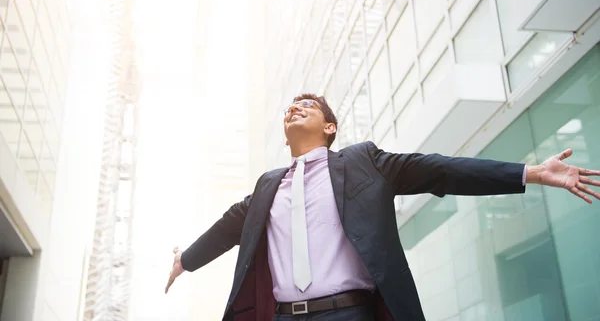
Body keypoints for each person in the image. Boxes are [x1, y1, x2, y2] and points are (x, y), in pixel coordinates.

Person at [164, 94, 600, 320]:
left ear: (329, 127)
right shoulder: (267, 187)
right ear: (285, 134)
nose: (295, 108)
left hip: (349, 315)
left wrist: (528, 173)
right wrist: (184, 260)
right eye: (290, 108)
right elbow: (227, 228)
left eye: (309, 105)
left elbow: (439, 170)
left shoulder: (362, 162)